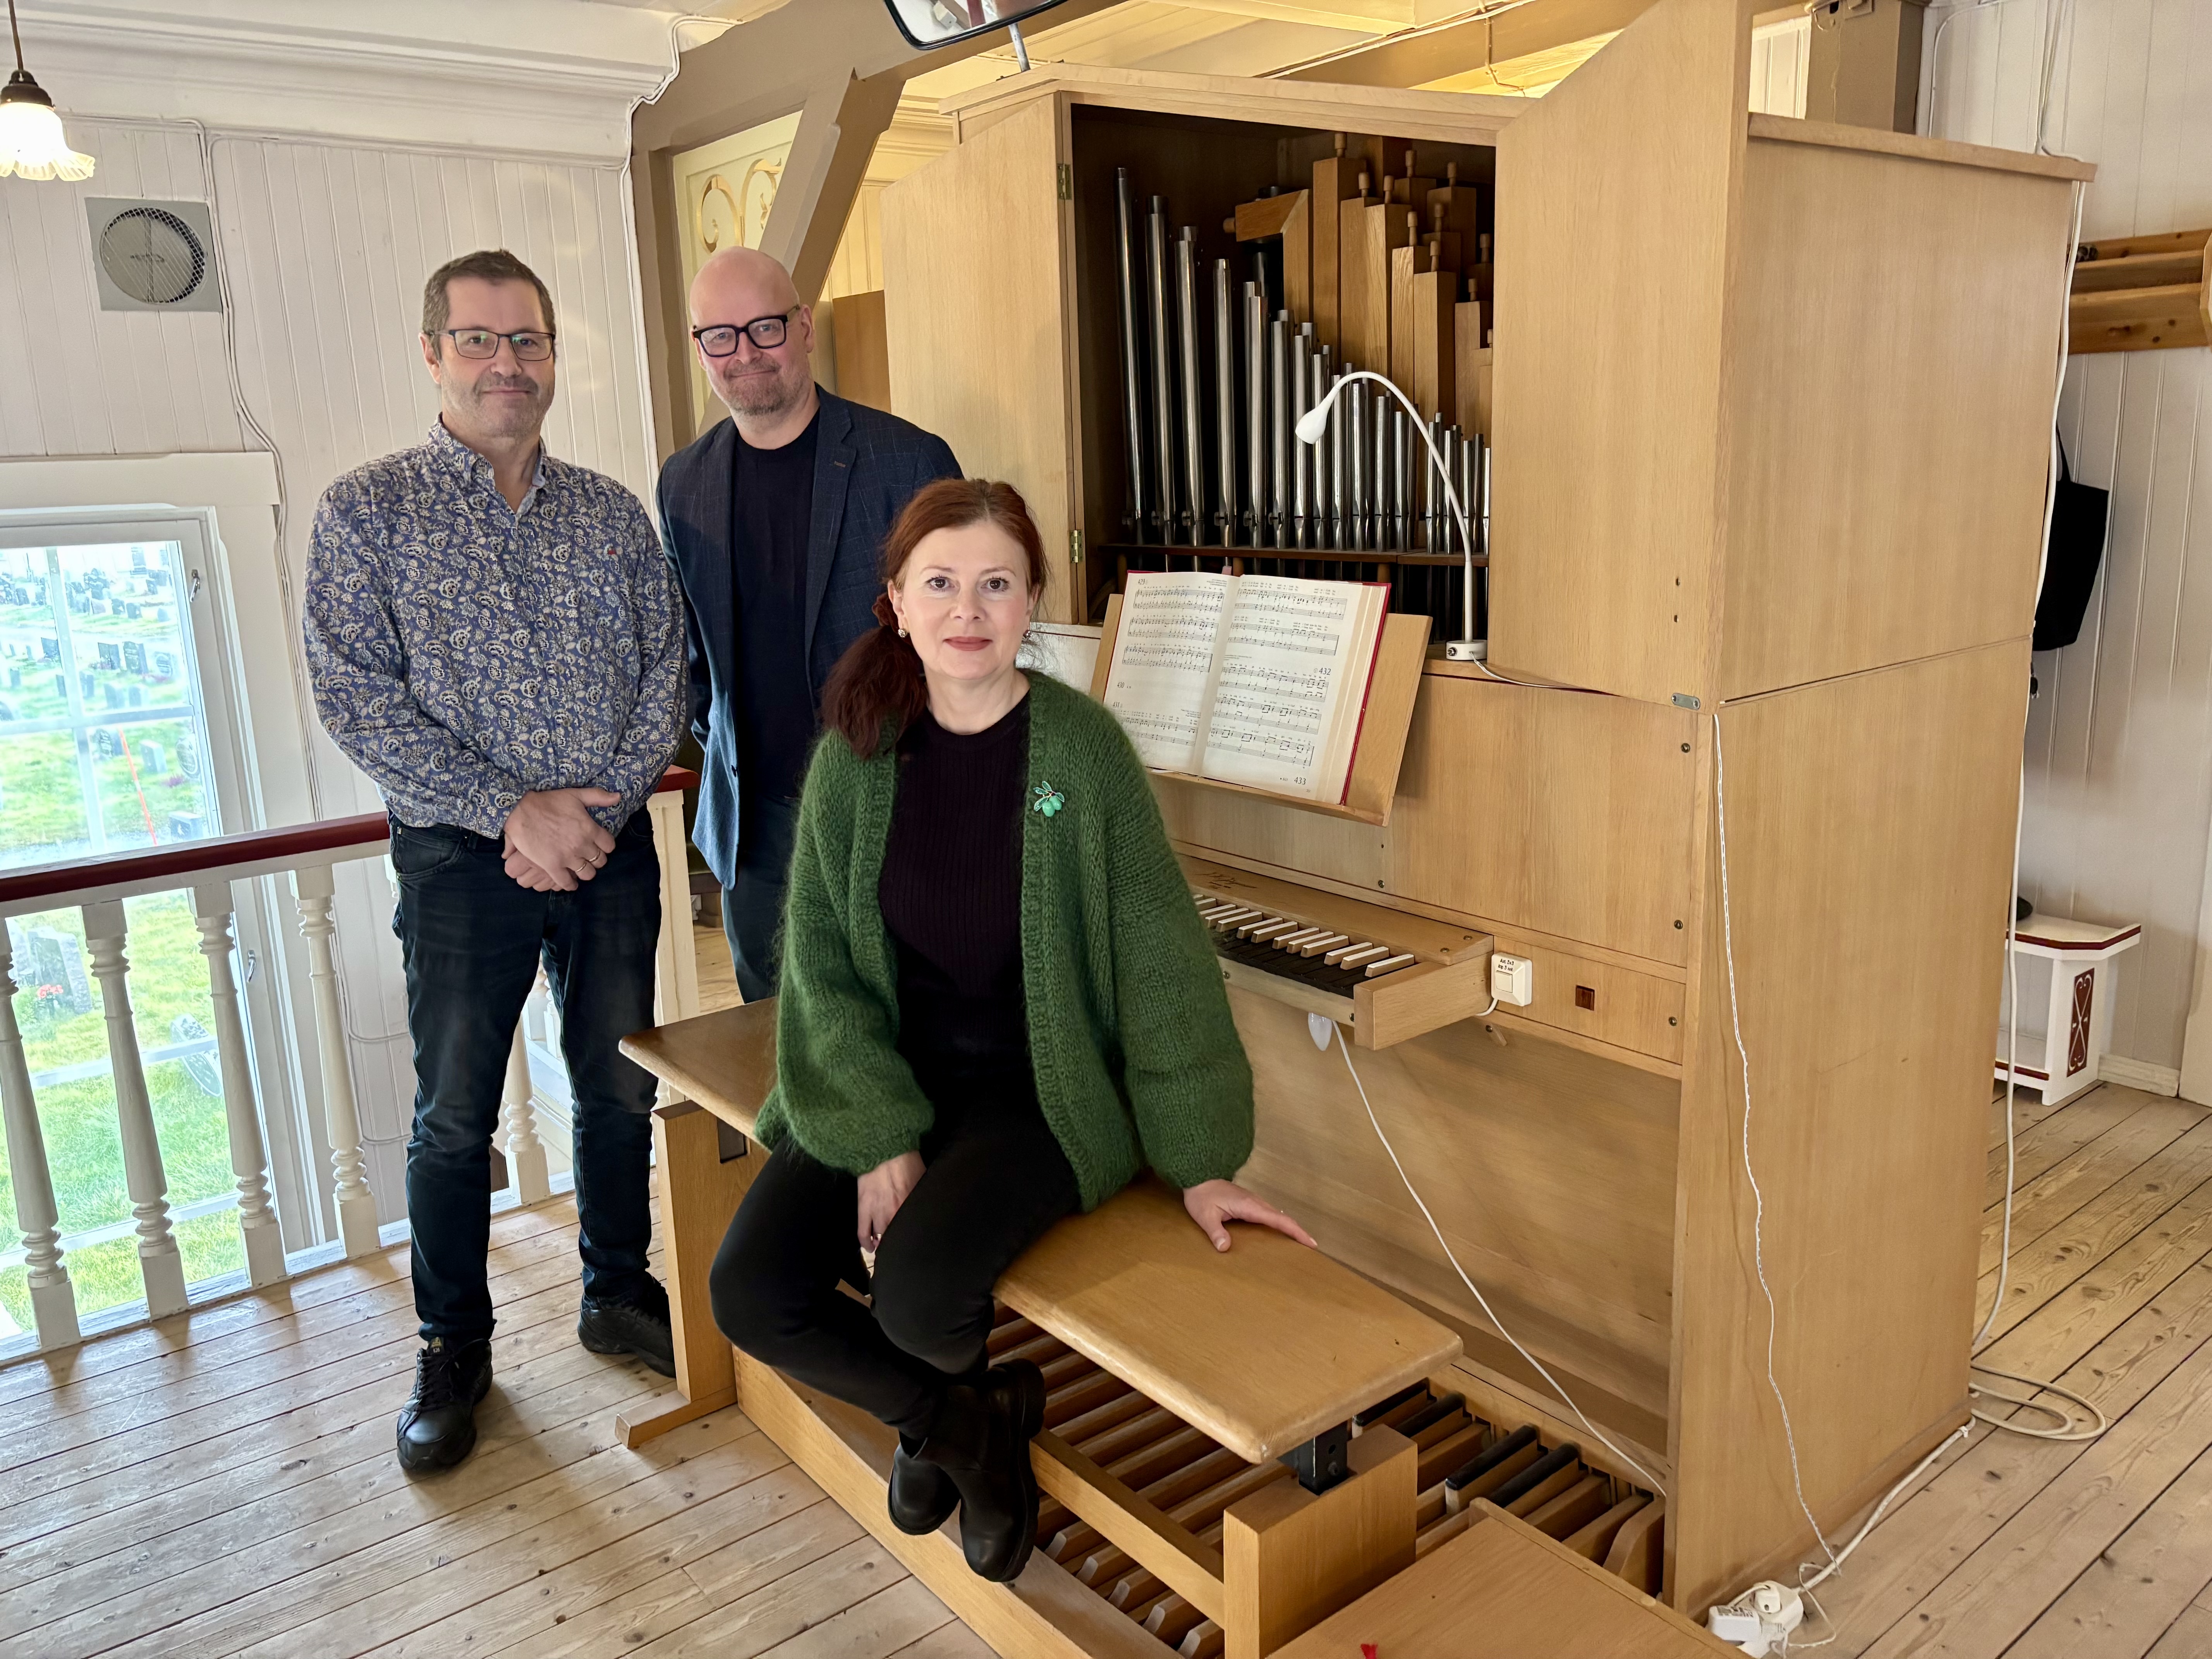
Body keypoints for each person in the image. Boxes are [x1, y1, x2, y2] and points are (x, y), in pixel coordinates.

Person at [708, 478, 1314, 1582]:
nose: (967, 608)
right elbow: (824, 969)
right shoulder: (858, 754)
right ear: (895, 601)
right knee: (749, 1290)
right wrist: (883, 1130)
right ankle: (970, 1426)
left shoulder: (1082, 754)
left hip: (1040, 1090)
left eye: (995, 582)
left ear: (1034, 599)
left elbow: (1160, 960)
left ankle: (935, 1415)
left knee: (919, 1298)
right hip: (883, 1075)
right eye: (939, 583)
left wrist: (1198, 1159)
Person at [304, 249, 689, 1475]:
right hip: (461, 862)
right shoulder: (366, 511)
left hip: (613, 848)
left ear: (552, 356)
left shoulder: (612, 512)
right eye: (478, 340)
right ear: (432, 355)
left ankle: (618, 1290)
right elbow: (356, 698)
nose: (506, 363)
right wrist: (512, 812)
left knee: (620, 1084)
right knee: (456, 1116)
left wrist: (595, 812)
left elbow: (664, 673)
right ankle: (452, 1345)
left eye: (526, 340)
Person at [658, 247, 960, 1002]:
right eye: (720, 336)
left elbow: (965, 645)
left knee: (907, 1039)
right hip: (754, 831)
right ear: (700, 350)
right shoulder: (683, 482)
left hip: (891, 816)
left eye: (764, 327)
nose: (745, 353)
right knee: (778, 1051)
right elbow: (693, 657)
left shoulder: (910, 461)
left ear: (803, 328)